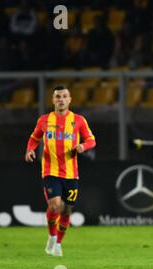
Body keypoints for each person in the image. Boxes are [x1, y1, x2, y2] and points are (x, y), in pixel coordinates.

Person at [25, 85, 96, 257]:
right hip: (50, 171)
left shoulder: (79, 120)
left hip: (71, 174)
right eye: (58, 96)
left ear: (70, 99)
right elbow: (34, 138)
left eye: (64, 96)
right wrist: (29, 150)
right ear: (53, 100)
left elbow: (91, 140)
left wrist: (82, 146)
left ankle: (58, 243)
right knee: (55, 205)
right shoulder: (44, 120)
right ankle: (51, 235)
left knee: (66, 211)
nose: (61, 99)